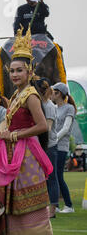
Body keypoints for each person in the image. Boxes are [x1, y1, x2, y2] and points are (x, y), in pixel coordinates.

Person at [0, 27, 53, 235]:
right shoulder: (16, 95)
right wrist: (2, 135)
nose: (15, 75)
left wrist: (14, 136)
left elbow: (43, 125)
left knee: (20, 198)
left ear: (29, 71)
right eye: (12, 71)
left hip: (25, 156)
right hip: (11, 153)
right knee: (10, 196)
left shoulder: (31, 95)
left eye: (19, 71)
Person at [35, 77, 59, 218]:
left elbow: (47, 128)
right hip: (42, 146)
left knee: (52, 178)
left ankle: (53, 209)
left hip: (49, 147)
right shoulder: (40, 104)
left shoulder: (49, 106)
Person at [52, 82, 76, 213]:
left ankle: (69, 205)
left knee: (58, 176)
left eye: (53, 92)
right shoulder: (54, 108)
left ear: (59, 93)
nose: (51, 95)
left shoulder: (69, 108)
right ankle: (54, 205)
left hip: (61, 146)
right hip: (53, 145)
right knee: (53, 176)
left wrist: (54, 140)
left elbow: (66, 128)